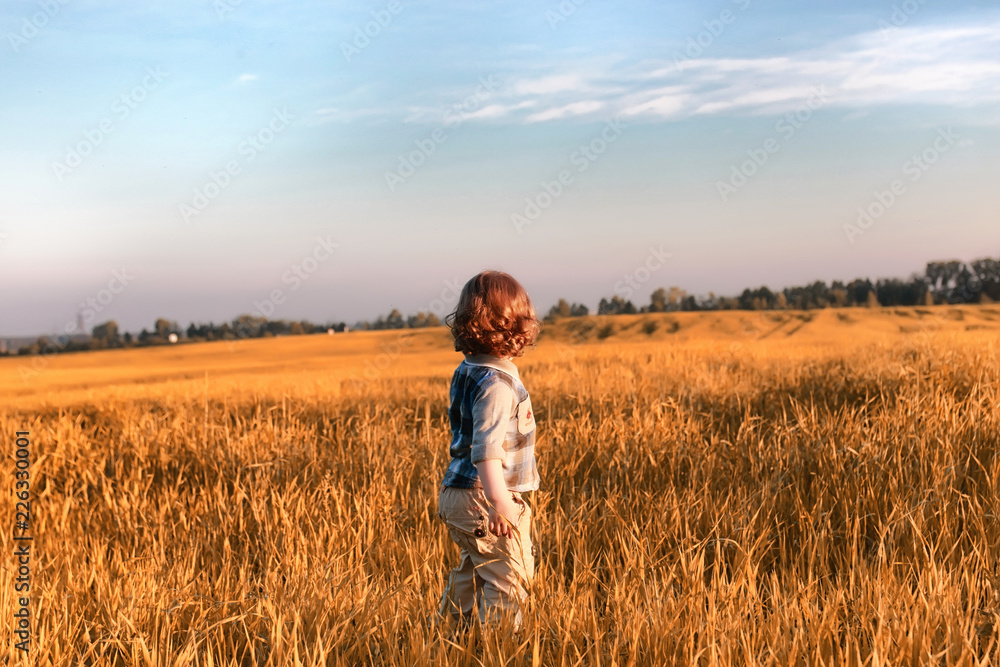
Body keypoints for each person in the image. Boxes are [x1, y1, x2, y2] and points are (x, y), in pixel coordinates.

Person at [437, 270, 541, 630]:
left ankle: (450, 637)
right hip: (484, 497)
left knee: (474, 568)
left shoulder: (471, 368)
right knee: (510, 578)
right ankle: (500, 648)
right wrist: (502, 504)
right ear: (513, 326)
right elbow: (487, 451)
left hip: (459, 494)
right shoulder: (497, 384)